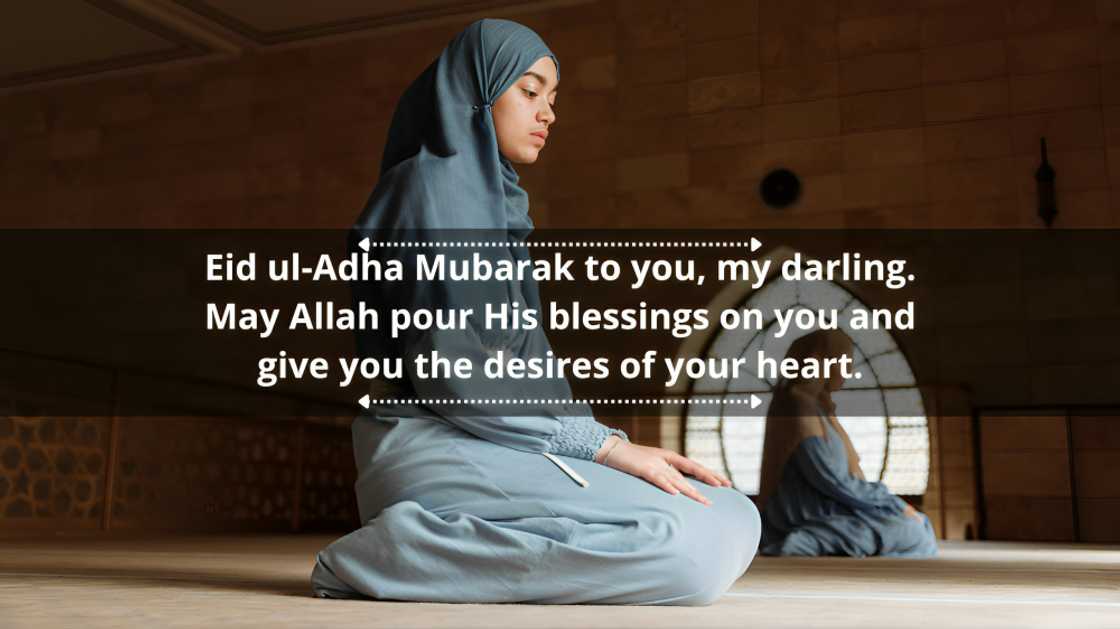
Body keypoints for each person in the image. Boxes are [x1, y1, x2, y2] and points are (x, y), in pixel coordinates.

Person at [309, 18, 761, 605]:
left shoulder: (498, 206)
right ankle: (391, 555)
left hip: (506, 439)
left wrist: (602, 439)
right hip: (433, 443)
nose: (548, 113)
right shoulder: (425, 188)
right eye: (529, 91)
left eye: (552, 99)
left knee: (732, 515)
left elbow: (531, 368)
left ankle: (461, 545)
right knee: (689, 555)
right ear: (476, 93)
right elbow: (448, 372)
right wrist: (603, 450)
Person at [757, 329, 938, 557]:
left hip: (834, 504)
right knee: (911, 529)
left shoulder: (815, 407)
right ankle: (808, 543)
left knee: (918, 527)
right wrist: (894, 503)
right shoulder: (797, 406)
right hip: (810, 512)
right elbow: (833, 480)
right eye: (844, 361)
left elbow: (846, 474)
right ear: (822, 362)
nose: (849, 370)